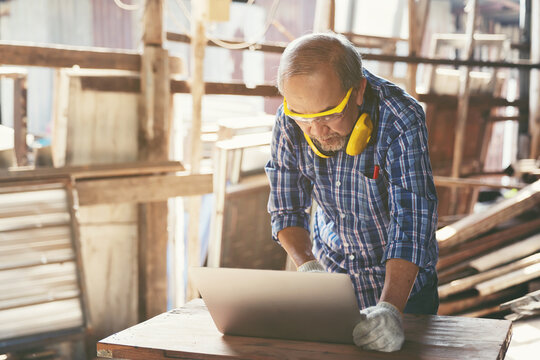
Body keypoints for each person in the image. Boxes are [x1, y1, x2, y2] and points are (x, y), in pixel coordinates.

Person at [265, 32, 439, 353]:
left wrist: (390, 309)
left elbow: (411, 221)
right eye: (305, 117)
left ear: (358, 90)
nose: (317, 131)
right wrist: (308, 267)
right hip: (333, 288)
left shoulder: (400, 118)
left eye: (330, 113)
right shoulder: (290, 119)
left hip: (405, 292)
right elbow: (286, 209)